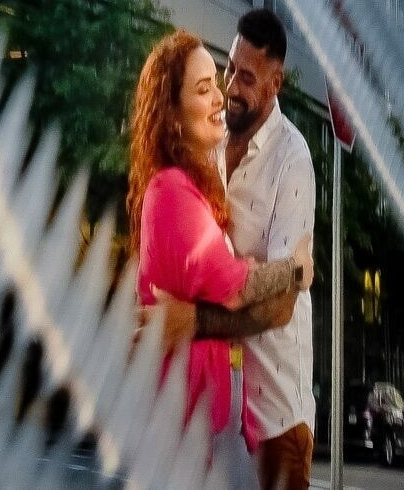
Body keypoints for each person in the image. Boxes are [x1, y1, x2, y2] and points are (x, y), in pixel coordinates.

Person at [128, 29, 313, 477]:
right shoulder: (177, 184)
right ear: (172, 117)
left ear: (275, 83)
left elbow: (278, 308)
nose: (227, 91)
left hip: (273, 409)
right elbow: (234, 284)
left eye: (241, 77)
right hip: (191, 419)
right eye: (218, 76)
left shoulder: (291, 158)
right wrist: (295, 269)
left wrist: (193, 317)